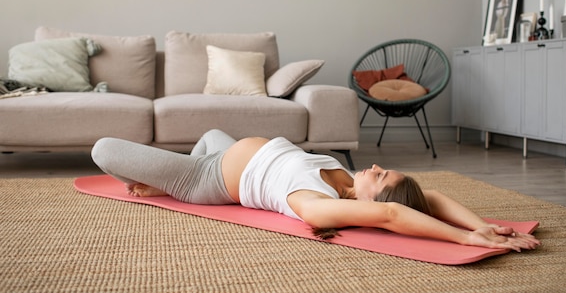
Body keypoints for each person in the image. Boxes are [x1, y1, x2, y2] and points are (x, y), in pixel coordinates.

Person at [91, 130, 540, 252]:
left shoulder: (319, 207)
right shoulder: (344, 177)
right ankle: (159, 178)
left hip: (203, 181)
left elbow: (394, 216)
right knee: (210, 132)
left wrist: (465, 240)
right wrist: (484, 225)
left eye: (380, 178)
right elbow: (432, 200)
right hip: (217, 151)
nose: (378, 167)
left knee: (103, 149)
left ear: (370, 202)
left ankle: (167, 183)